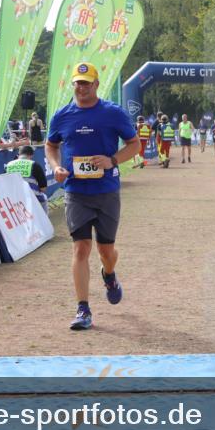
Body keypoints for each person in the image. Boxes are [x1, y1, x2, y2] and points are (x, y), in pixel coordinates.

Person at [45, 62, 139, 330]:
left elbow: (134, 145)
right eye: (78, 82)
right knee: (81, 248)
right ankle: (83, 309)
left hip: (107, 192)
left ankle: (109, 274)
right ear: (72, 85)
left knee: (105, 251)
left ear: (97, 85)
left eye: (87, 82)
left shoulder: (112, 113)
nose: (82, 87)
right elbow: (51, 145)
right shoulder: (62, 116)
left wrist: (112, 160)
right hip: (76, 193)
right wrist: (56, 167)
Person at [6, 145, 49, 213]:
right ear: (31, 155)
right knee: (44, 199)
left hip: (13, 198)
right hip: (32, 197)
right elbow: (43, 188)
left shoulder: (8, 165)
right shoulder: (34, 164)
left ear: (19, 154)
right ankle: (45, 221)